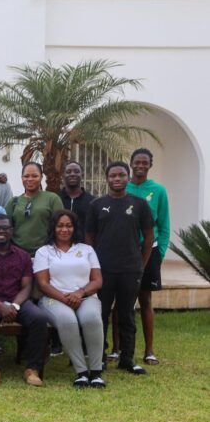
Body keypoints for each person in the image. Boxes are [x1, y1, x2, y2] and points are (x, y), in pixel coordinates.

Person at [85, 161, 154, 375]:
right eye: (113, 175)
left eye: (121, 175)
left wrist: (140, 264)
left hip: (130, 269)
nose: (117, 179)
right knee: (101, 315)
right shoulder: (96, 205)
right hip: (103, 270)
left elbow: (149, 236)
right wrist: (93, 267)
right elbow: (89, 238)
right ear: (107, 178)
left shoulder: (140, 204)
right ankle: (101, 358)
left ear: (127, 177)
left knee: (126, 315)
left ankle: (127, 358)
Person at [0, 214, 49, 387]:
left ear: (12, 231)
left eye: (5, 227)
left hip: (17, 300)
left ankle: (32, 368)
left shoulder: (23, 256)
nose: (1, 231)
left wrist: (14, 305)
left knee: (39, 318)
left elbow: (27, 286)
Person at [34, 210, 106, 388]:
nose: (64, 229)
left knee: (92, 319)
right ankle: (81, 372)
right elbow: (43, 284)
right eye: (60, 226)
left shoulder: (86, 249)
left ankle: (96, 372)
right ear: (53, 228)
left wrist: (80, 293)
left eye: (68, 225)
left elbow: (97, 280)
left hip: (85, 296)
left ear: (74, 228)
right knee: (68, 320)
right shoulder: (44, 251)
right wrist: (65, 298)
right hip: (53, 298)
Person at [125, 148, 170, 365]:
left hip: (148, 251)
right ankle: (117, 349)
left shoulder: (158, 191)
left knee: (145, 300)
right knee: (122, 300)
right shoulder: (124, 187)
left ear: (150, 165)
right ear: (131, 163)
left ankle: (149, 350)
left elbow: (164, 224)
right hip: (125, 251)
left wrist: (159, 253)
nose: (140, 166)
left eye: (145, 162)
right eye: (137, 162)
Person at [4, 162, 63, 256]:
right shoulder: (13, 202)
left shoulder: (52, 199)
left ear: (41, 177)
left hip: (46, 253)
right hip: (18, 254)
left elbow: (59, 227)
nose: (30, 179)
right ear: (22, 178)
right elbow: (6, 228)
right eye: (26, 176)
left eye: (34, 176)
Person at [58, 161, 95, 242]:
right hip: (58, 247)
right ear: (63, 175)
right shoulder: (55, 198)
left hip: (83, 248)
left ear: (82, 175)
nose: (72, 174)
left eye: (76, 171)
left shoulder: (92, 201)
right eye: (68, 172)